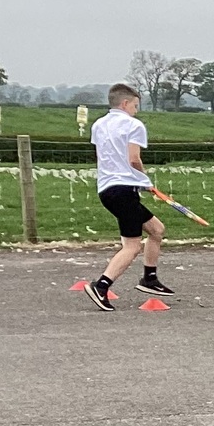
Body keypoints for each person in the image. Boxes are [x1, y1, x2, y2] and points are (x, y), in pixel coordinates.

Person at [82, 83, 174, 309]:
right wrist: (144, 181)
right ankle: (101, 286)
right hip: (123, 191)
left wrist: (136, 183)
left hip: (107, 189)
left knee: (156, 230)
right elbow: (134, 159)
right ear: (125, 103)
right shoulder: (134, 125)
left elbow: (105, 157)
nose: (136, 110)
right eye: (135, 105)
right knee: (132, 247)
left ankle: (149, 279)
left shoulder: (98, 124)